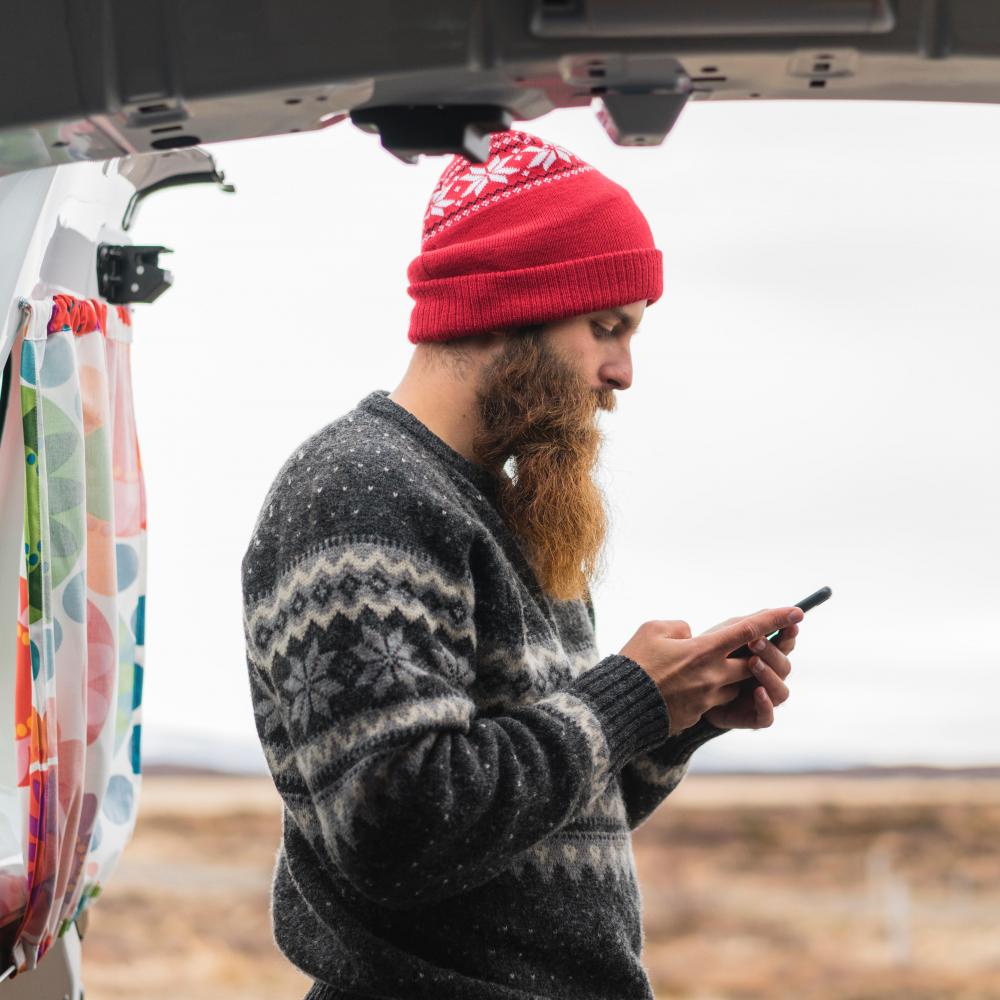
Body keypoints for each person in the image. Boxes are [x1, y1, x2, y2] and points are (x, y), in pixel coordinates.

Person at [241, 128, 802, 1000]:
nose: (623, 372)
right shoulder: (361, 492)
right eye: (606, 327)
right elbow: (398, 829)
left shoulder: (511, 507)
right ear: (506, 306)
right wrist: (623, 701)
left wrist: (673, 719)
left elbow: (524, 829)